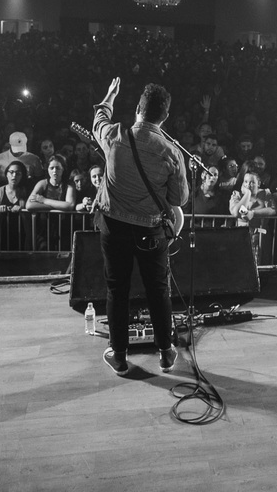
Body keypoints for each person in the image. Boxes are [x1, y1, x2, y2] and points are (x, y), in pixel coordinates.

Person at [92, 78, 188, 377]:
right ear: (165, 116)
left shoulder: (114, 135)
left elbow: (98, 120)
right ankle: (166, 353)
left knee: (117, 289)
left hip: (114, 228)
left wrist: (109, 97)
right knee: (158, 290)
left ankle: (119, 356)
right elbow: (178, 199)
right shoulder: (171, 151)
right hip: (150, 231)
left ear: (137, 108)